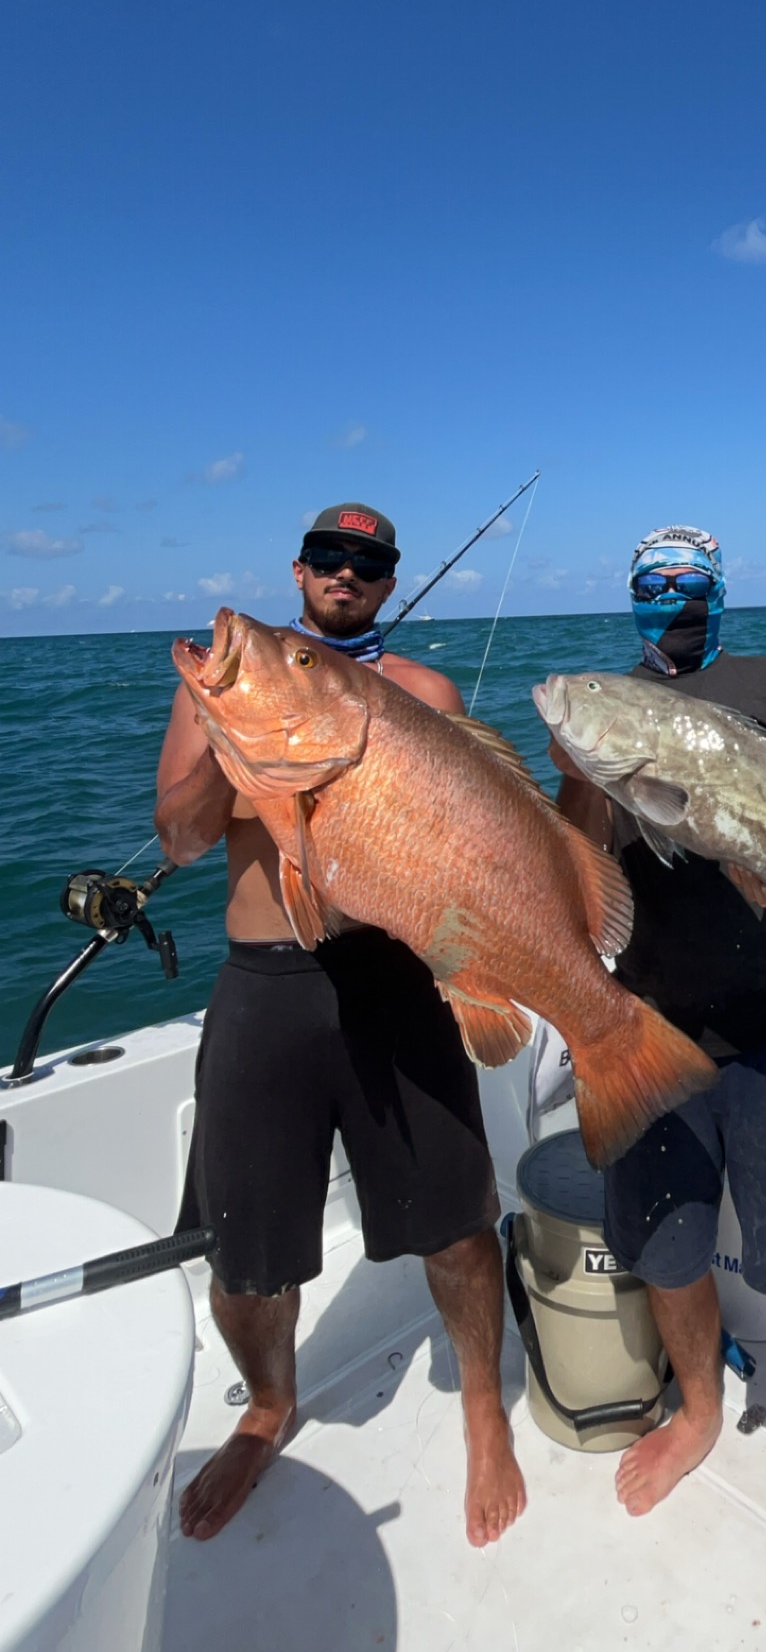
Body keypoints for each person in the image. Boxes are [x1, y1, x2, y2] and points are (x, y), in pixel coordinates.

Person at [155, 502, 526, 1549]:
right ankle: (269, 1405)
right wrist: (243, 747)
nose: (345, 573)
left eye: (368, 562)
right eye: (329, 556)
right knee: (243, 1252)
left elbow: (464, 838)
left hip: (395, 978)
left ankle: (485, 1408)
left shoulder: (424, 695)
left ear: (390, 581)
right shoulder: (221, 686)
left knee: (456, 1219)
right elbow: (178, 838)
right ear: (300, 568)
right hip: (265, 984)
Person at [553, 525, 766, 1621]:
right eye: (654, 588)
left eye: (691, 587)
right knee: (667, 1246)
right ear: (633, 597)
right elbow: (582, 868)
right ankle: (697, 1410)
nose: (674, 604)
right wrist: (580, 772)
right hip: (648, 1018)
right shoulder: (610, 724)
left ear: (719, 594)